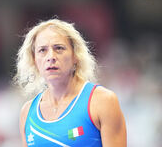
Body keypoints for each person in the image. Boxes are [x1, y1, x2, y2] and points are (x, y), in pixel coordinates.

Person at [14, 18, 127, 147]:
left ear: (75, 56)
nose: (51, 57)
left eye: (59, 48)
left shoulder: (102, 101)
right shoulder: (27, 112)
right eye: (42, 50)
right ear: (34, 60)